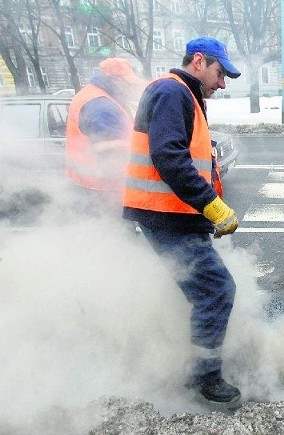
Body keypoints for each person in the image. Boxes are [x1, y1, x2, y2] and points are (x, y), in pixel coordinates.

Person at [122, 37, 242, 406]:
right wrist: (213, 206)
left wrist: (206, 209)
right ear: (199, 61)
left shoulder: (185, 95)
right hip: (165, 213)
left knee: (206, 290)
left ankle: (198, 361)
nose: (222, 84)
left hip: (174, 212)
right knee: (215, 289)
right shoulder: (173, 92)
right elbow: (169, 157)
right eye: (220, 74)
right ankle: (203, 377)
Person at [65, 57, 145, 208]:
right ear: (114, 80)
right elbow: (113, 158)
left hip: (85, 186)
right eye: (127, 83)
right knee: (118, 231)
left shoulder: (90, 94)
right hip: (105, 190)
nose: (130, 88)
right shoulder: (103, 107)